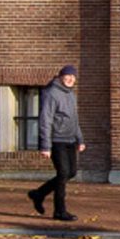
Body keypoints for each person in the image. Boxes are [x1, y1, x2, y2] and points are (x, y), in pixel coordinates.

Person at [29, 64, 84, 222]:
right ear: (60, 76)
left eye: (73, 76)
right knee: (63, 173)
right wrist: (45, 145)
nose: (70, 79)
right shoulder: (52, 93)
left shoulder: (71, 94)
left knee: (71, 172)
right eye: (67, 76)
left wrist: (80, 139)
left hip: (70, 140)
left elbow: (74, 120)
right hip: (56, 140)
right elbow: (45, 119)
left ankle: (38, 194)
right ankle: (59, 211)